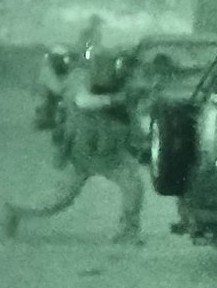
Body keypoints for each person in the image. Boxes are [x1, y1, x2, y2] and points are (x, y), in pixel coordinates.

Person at [1, 43, 144, 245]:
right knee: (57, 200)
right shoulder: (79, 77)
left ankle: (128, 231)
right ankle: (15, 210)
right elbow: (83, 101)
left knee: (133, 186)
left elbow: (131, 115)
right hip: (83, 151)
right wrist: (116, 99)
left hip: (109, 151)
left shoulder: (120, 83)